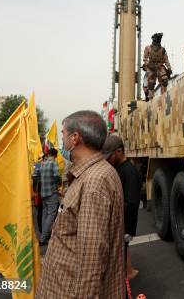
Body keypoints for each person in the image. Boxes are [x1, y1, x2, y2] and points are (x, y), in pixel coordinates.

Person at [37, 111, 125, 298]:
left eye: (63, 134)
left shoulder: (94, 182)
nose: (62, 140)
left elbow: (91, 262)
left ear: (75, 138)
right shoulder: (92, 175)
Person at [103, 134, 142, 280]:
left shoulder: (129, 172)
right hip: (120, 221)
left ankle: (126, 275)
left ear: (119, 151)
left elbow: (132, 203)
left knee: (122, 250)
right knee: (123, 251)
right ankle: (129, 271)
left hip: (125, 223)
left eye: (110, 155)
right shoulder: (118, 167)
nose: (108, 159)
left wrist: (127, 230)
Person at [33, 149, 61, 245]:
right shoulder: (54, 163)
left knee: (45, 215)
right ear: (56, 155)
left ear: (48, 154)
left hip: (43, 193)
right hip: (52, 193)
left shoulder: (43, 163)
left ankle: (43, 236)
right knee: (51, 215)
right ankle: (43, 238)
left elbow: (35, 175)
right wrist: (59, 182)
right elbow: (57, 175)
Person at [142, 32, 172, 100]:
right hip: (151, 67)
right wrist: (148, 64)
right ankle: (151, 98)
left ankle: (163, 96)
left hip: (160, 67)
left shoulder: (162, 49)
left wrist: (169, 68)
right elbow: (145, 58)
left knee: (165, 80)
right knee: (151, 83)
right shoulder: (148, 48)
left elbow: (166, 59)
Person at [32, 154, 45, 235]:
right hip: (40, 191)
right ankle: (41, 228)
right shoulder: (39, 166)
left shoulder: (38, 165)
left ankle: (41, 228)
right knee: (41, 210)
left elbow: (34, 178)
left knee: (41, 211)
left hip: (40, 191)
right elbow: (35, 178)